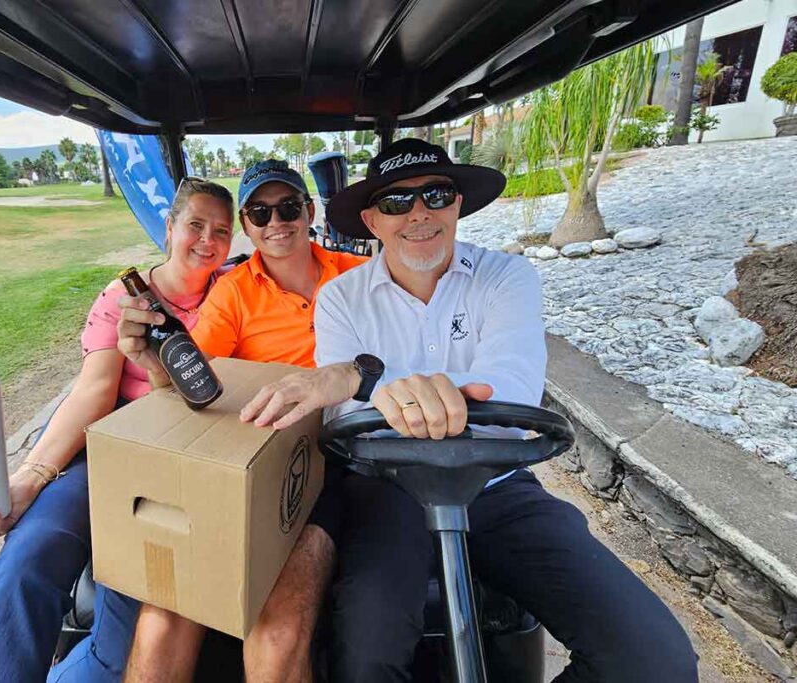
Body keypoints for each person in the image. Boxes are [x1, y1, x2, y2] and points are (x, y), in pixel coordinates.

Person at [246, 138, 699, 682]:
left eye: (435, 195)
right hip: (389, 487)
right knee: (367, 651)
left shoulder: (506, 278)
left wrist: (373, 382)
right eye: (396, 203)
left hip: (497, 483)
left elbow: (509, 390)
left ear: (457, 203)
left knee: (654, 659)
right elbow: (340, 412)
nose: (419, 214)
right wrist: (370, 388)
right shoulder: (343, 298)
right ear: (371, 219)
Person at [72, 159, 366, 682]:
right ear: (248, 229)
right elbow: (195, 383)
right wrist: (155, 364)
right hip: (249, 467)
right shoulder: (234, 292)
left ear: (310, 210)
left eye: (288, 206)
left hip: (335, 463)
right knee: (161, 622)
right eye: (259, 212)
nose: (276, 221)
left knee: (277, 631)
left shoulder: (357, 276)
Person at [0, 177, 237, 683]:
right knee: (31, 555)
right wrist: (31, 476)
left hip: (188, 463)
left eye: (222, 231)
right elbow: (94, 392)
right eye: (195, 225)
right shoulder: (126, 298)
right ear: (169, 227)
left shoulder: (234, 289)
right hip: (108, 451)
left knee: (132, 622)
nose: (208, 240)